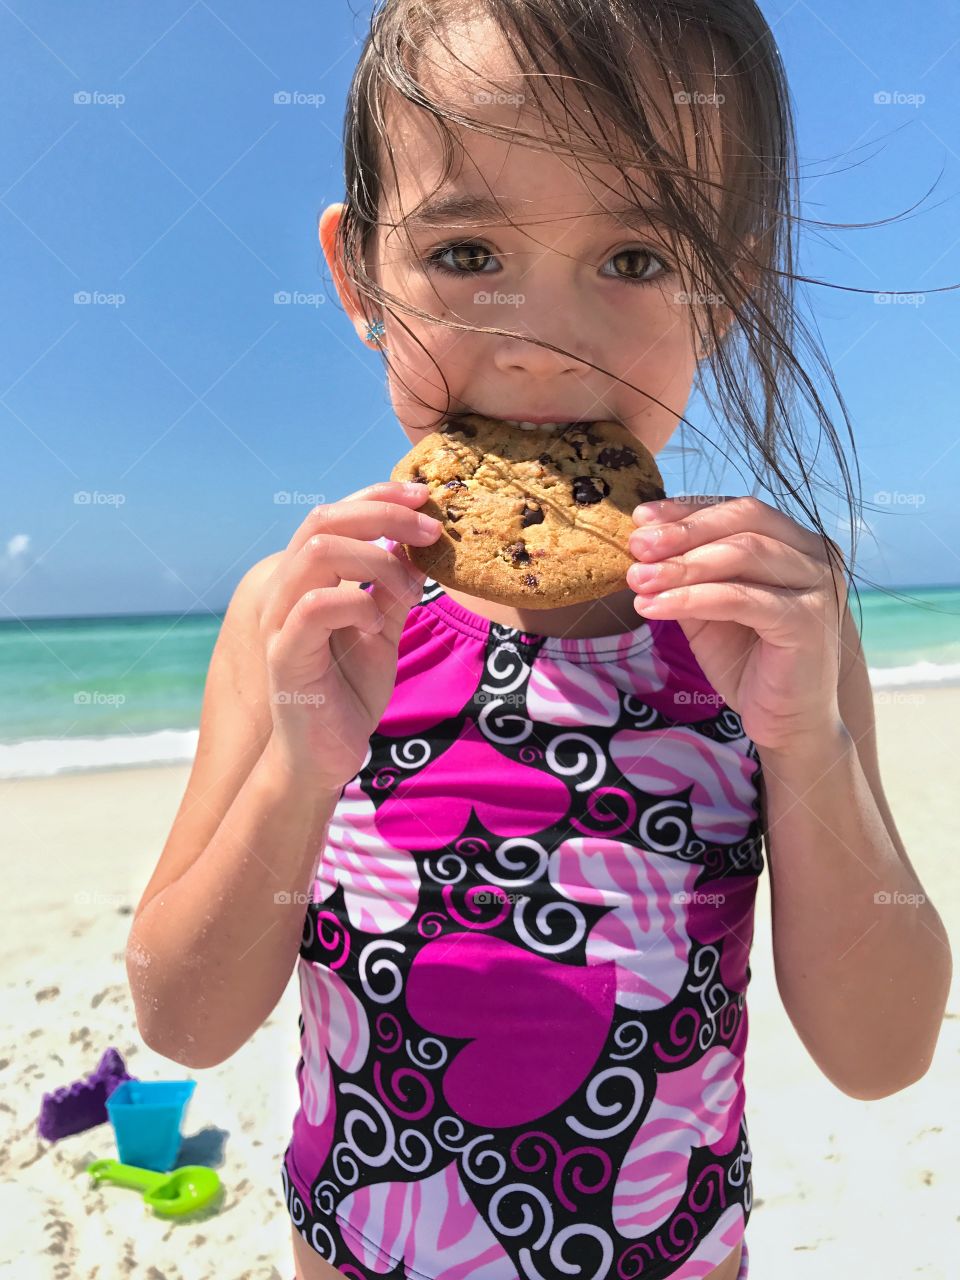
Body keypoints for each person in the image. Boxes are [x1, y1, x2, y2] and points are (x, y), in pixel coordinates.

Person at [126, 2, 953, 1278]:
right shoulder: (293, 619)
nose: (544, 338)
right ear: (358, 277)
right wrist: (299, 767)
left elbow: (883, 1049)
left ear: (723, 284)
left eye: (635, 256)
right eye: (466, 252)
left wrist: (808, 744)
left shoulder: (774, 623)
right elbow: (183, 1018)